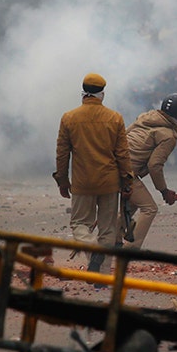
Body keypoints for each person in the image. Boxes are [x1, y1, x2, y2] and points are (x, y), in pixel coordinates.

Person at [53, 73, 133, 273]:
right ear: (102, 95)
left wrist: (62, 181)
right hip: (109, 182)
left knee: (80, 224)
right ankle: (102, 276)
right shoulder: (115, 118)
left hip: (83, 183)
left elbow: (62, 154)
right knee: (108, 229)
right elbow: (122, 154)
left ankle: (92, 247)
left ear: (83, 94)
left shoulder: (69, 118)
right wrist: (127, 181)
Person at [123, 94, 177, 249]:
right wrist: (164, 191)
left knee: (132, 205)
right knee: (149, 208)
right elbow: (155, 166)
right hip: (124, 173)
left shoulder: (145, 117)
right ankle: (130, 250)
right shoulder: (168, 136)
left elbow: (124, 135)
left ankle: (108, 242)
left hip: (112, 164)